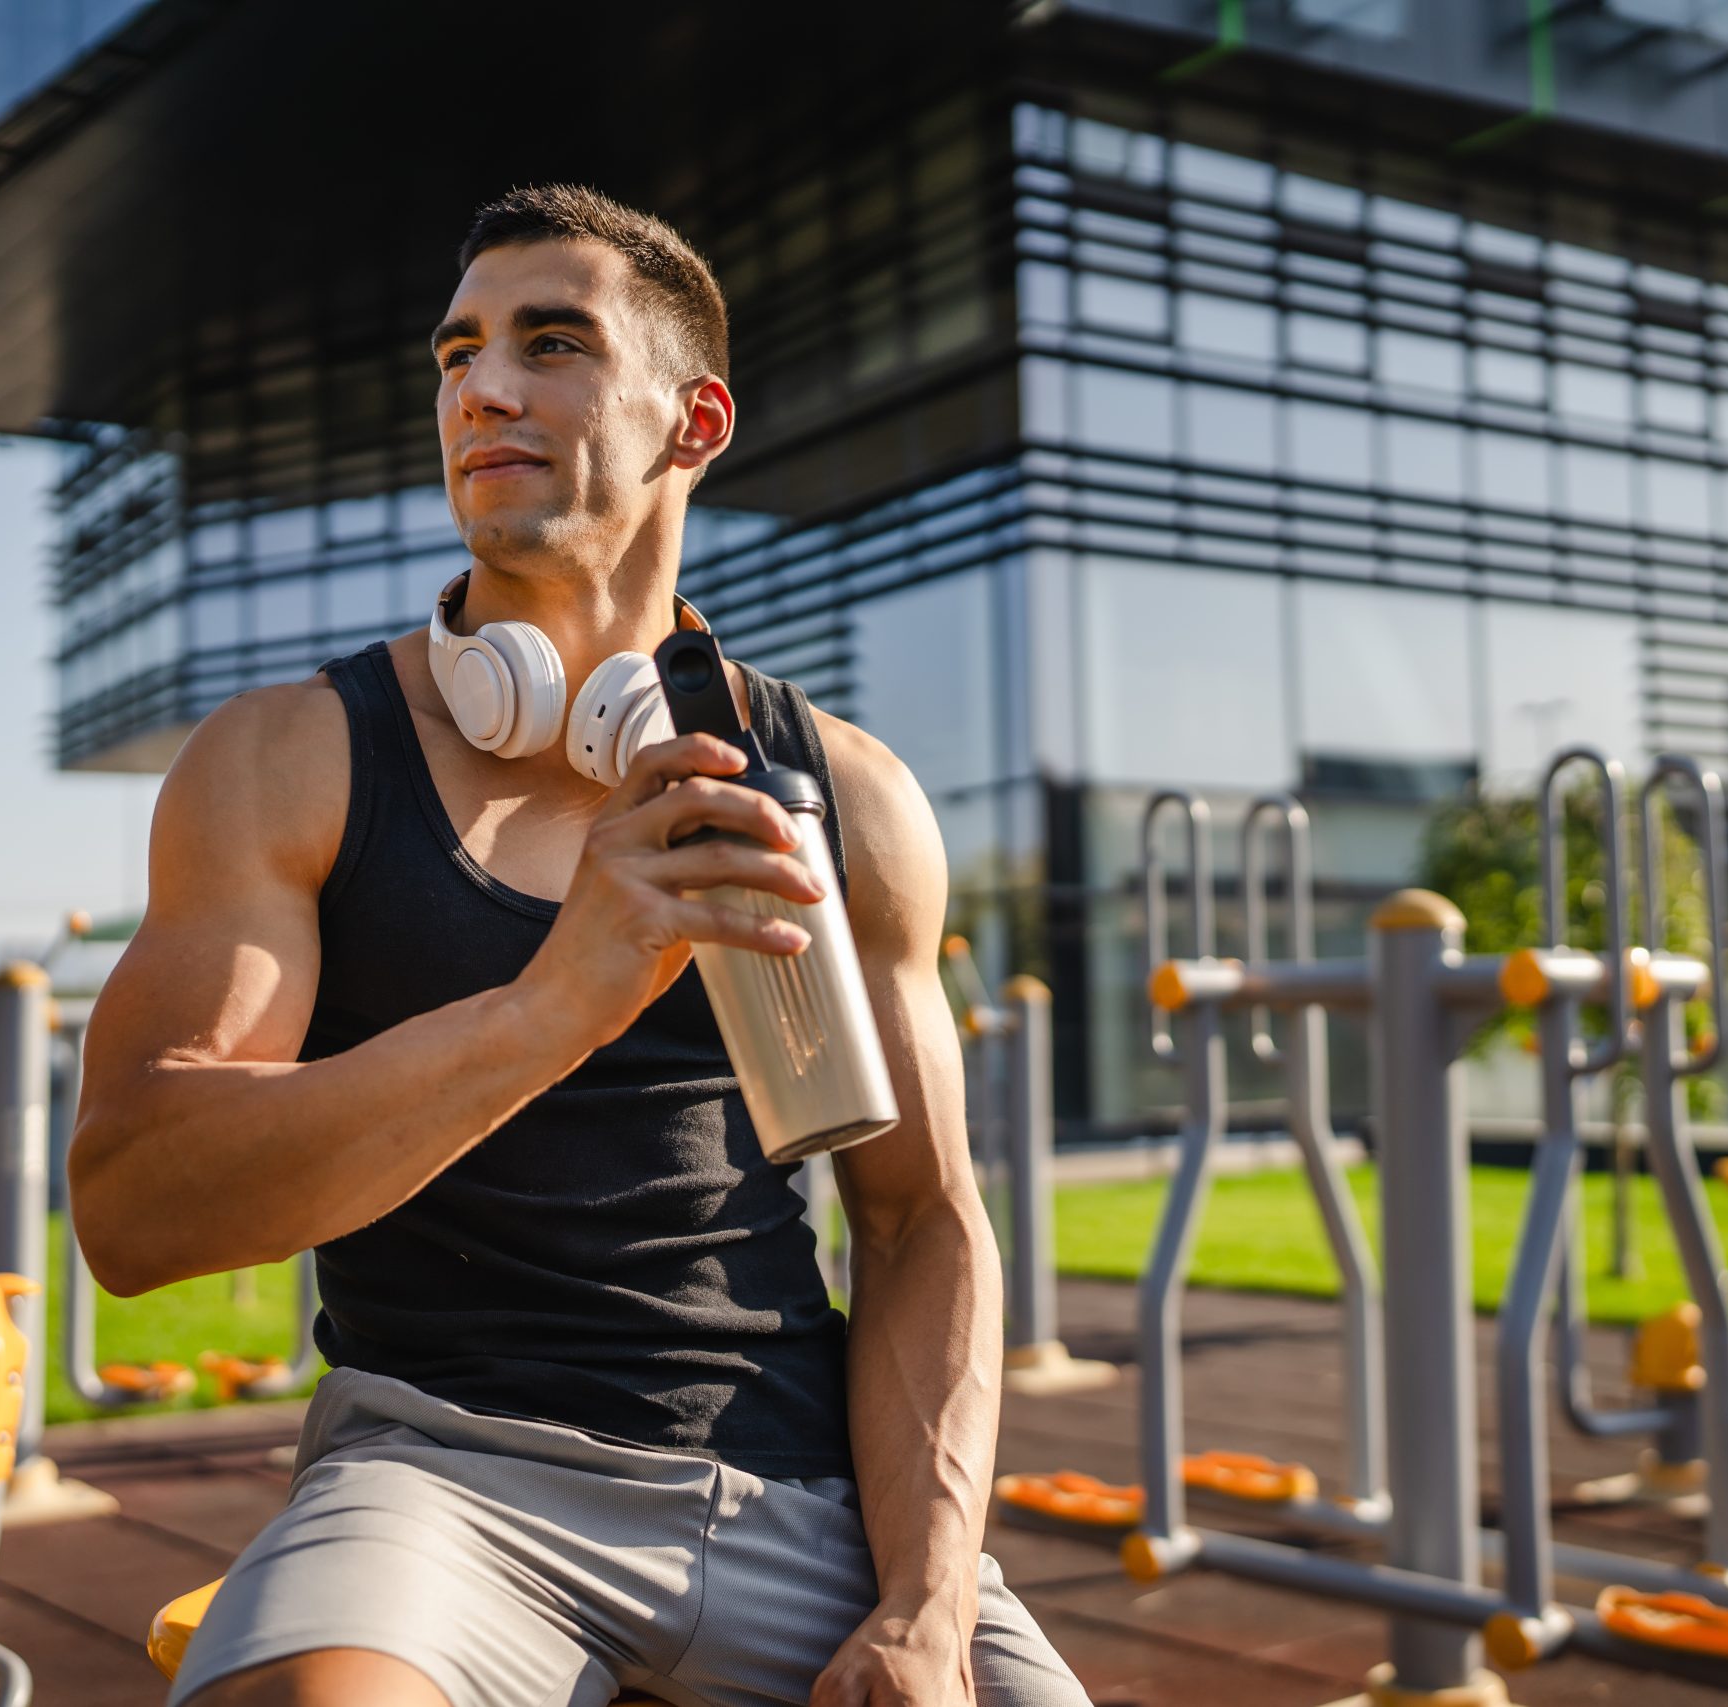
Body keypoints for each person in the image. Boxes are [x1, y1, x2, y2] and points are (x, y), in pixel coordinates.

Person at [70, 184, 1092, 1707]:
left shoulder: (843, 796)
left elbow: (919, 1223)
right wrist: (560, 1000)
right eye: (457, 353)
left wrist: (930, 1606)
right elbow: (135, 1209)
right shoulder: (289, 759)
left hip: (797, 1492)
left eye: (551, 343)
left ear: (696, 421)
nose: (480, 388)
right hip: (442, 1478)